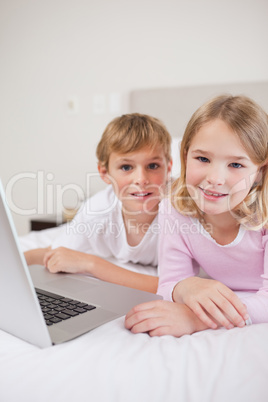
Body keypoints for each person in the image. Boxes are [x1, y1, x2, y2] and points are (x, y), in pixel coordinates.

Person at [125, 95, 268, 336]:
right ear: (184, 156)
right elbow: (169, 283)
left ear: (260, 172)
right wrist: (186, 286)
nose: (215, 178)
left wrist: (196, 319)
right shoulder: (174, 207)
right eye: (202, 159)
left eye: (235, 165)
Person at [25, 113, 172, 293]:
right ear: (104, 173)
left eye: (153, 166)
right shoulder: (98, 210)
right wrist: (21, 260)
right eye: (126, 167)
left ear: (169, 167)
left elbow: (174, 288)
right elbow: (56, 254)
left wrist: (91, 264)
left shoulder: (179, 211)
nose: (141, 179)